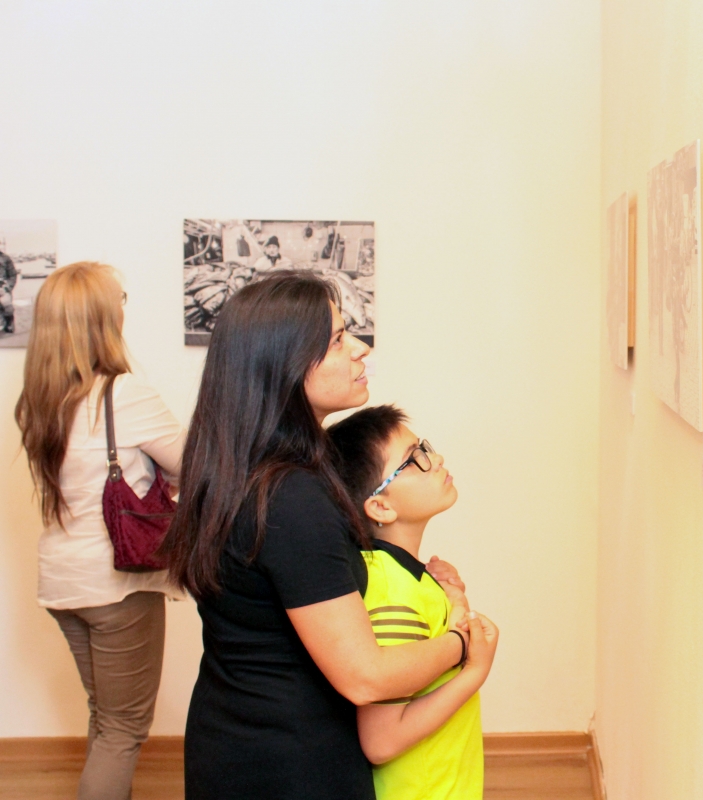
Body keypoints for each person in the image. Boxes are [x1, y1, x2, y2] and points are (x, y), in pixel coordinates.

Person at [160, 271, 479, 800]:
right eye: (336, 339)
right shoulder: (290, 496)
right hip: (289, 764)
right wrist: (462, 644)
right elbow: (366, 677)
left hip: (233, 737)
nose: (359, 348)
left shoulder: (244, 467)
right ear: (284, 366)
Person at [14, 262, 186, 800]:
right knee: (125, 729)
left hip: (63, 583)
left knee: (106, 717)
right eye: (120, 302)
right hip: (117, 584)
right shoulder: (123, 394)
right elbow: (194, 467)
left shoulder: (39, 400)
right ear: (102, 319)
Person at [328, 405, 499, 800]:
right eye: (415, 459)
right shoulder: (394, 595)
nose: (435, 459)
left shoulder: (405, 578)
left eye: (425, 447)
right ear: (380, 506)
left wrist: (454, 599)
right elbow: (381, 741)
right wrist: (475, 670)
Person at [0, 236, 17, 333]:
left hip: (2, 288)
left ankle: (9, 322)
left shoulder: (5, 259)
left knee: (7, 306)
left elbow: (13, 275)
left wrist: (7, 288)